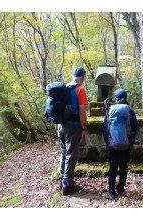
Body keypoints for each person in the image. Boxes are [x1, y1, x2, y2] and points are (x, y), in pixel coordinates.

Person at [103, 88, 138, 200]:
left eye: (116, 98)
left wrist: (108, 142)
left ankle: (111, 191)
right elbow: (135, 128)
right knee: (123, 166)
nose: (115, 100)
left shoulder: (110, 111)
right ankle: (121, 189)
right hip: (126, 145)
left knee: (113, 167)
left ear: (119, 99)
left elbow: (105, 128)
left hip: (113, 145)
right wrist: (130, 142)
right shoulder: (130, 111)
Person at [58, 67, 88, 196]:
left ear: (73, 75)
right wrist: (83, 127)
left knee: (64, 153)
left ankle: (63, 180)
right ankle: (67, 185)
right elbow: (82, 112)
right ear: (83, 77)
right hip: (73, 126)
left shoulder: (65, 88)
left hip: (61, 125)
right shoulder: (80, 90)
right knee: (72, 155)